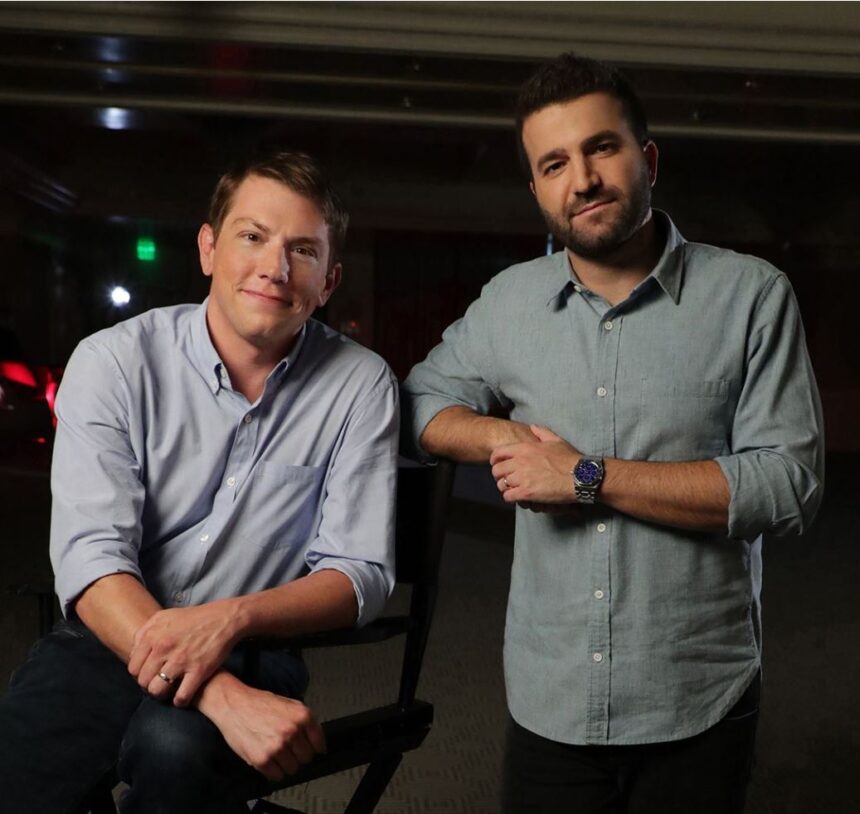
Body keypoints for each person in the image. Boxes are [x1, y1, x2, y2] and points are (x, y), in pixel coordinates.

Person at [403, 53, 823, 814]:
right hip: (550, 693)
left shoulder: (751, 296)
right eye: (554, 164)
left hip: (697, 695)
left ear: (648, 160)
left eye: (602, 148)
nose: (583, 179)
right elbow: (425, 400)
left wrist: (585, 476)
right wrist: (508, 443)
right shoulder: (508, 302)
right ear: (537, 189)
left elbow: (789, 484)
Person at [0, 151, 399, 813]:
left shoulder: (360, 384)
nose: (275, 268)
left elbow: (360, 572)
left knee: (174, 751)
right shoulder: (112, 362)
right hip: (114, 633)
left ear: (329, 281)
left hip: (255, 647)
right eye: (253, 236)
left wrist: (231, 619)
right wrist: (218, 694)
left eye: (302, 250)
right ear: (209, 249)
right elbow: (92, 557)